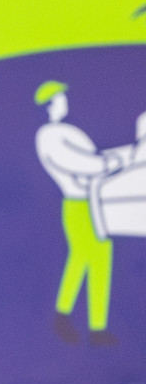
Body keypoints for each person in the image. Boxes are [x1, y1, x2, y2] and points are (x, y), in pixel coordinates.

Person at [33, 80, 126, 342]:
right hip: (77, 205)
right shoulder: (50, 136)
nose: (65, 101)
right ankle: (62, 317)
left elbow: (95, 159)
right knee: (81, 259)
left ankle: (97, 327)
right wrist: (114, 161)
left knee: (100, 261)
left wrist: (114, 159)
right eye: (61, 98)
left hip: (94, 202)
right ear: (50, 104)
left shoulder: (68, 131)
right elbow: (81, 163)